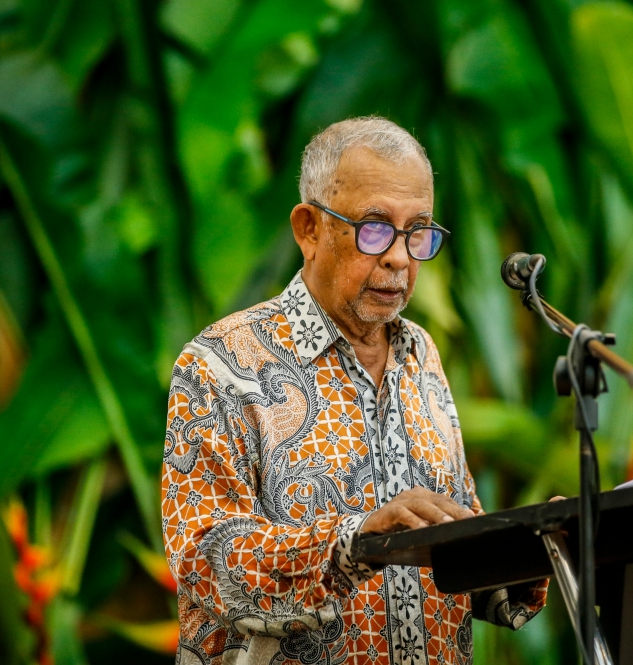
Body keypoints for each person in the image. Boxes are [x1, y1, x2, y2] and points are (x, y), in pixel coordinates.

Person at [162, 116, 547, 665]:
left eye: (418, 231)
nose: (399, 257)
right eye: (374, 228)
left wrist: (539, 544)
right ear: (309, 229)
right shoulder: (222, 363)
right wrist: (356, 542)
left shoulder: (421, 355)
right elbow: (205, 564)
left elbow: (453, 554)